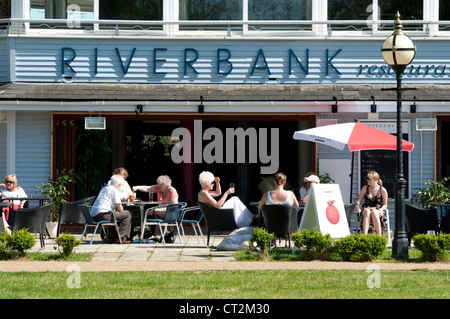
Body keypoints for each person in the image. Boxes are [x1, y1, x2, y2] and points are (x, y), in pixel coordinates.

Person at [259, 172, 299, 247]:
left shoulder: (267, 194)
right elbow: (297, 206)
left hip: (271, 225)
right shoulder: (290, 194)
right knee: (290, 217)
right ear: (285, 182)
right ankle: (287, 240)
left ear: (274, 181)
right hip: (287, 225)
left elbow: (260, 207)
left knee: (271, 218)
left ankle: (273, 241)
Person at [90, 174, 132, 244]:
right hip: (103, 215)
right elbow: (120, 207)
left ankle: (111, 238)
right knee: (128, 214)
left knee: (113, 215)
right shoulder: (115, 190)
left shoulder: (105, 188)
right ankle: (121, 238)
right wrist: (120, 210)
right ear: (119, 184)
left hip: (94, 216)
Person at [355, 171, 388, 236]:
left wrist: (381, 209)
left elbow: (385, 204)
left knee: (374, 212)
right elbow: (359, 199)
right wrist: (357, 204)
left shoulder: (382, 190)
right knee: (367, 211)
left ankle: (379, 236)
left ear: (375, 179)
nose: (366, 180)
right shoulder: (365, 188)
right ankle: (365, 236)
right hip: (366, 207)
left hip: (377, 209)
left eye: (368, 179)